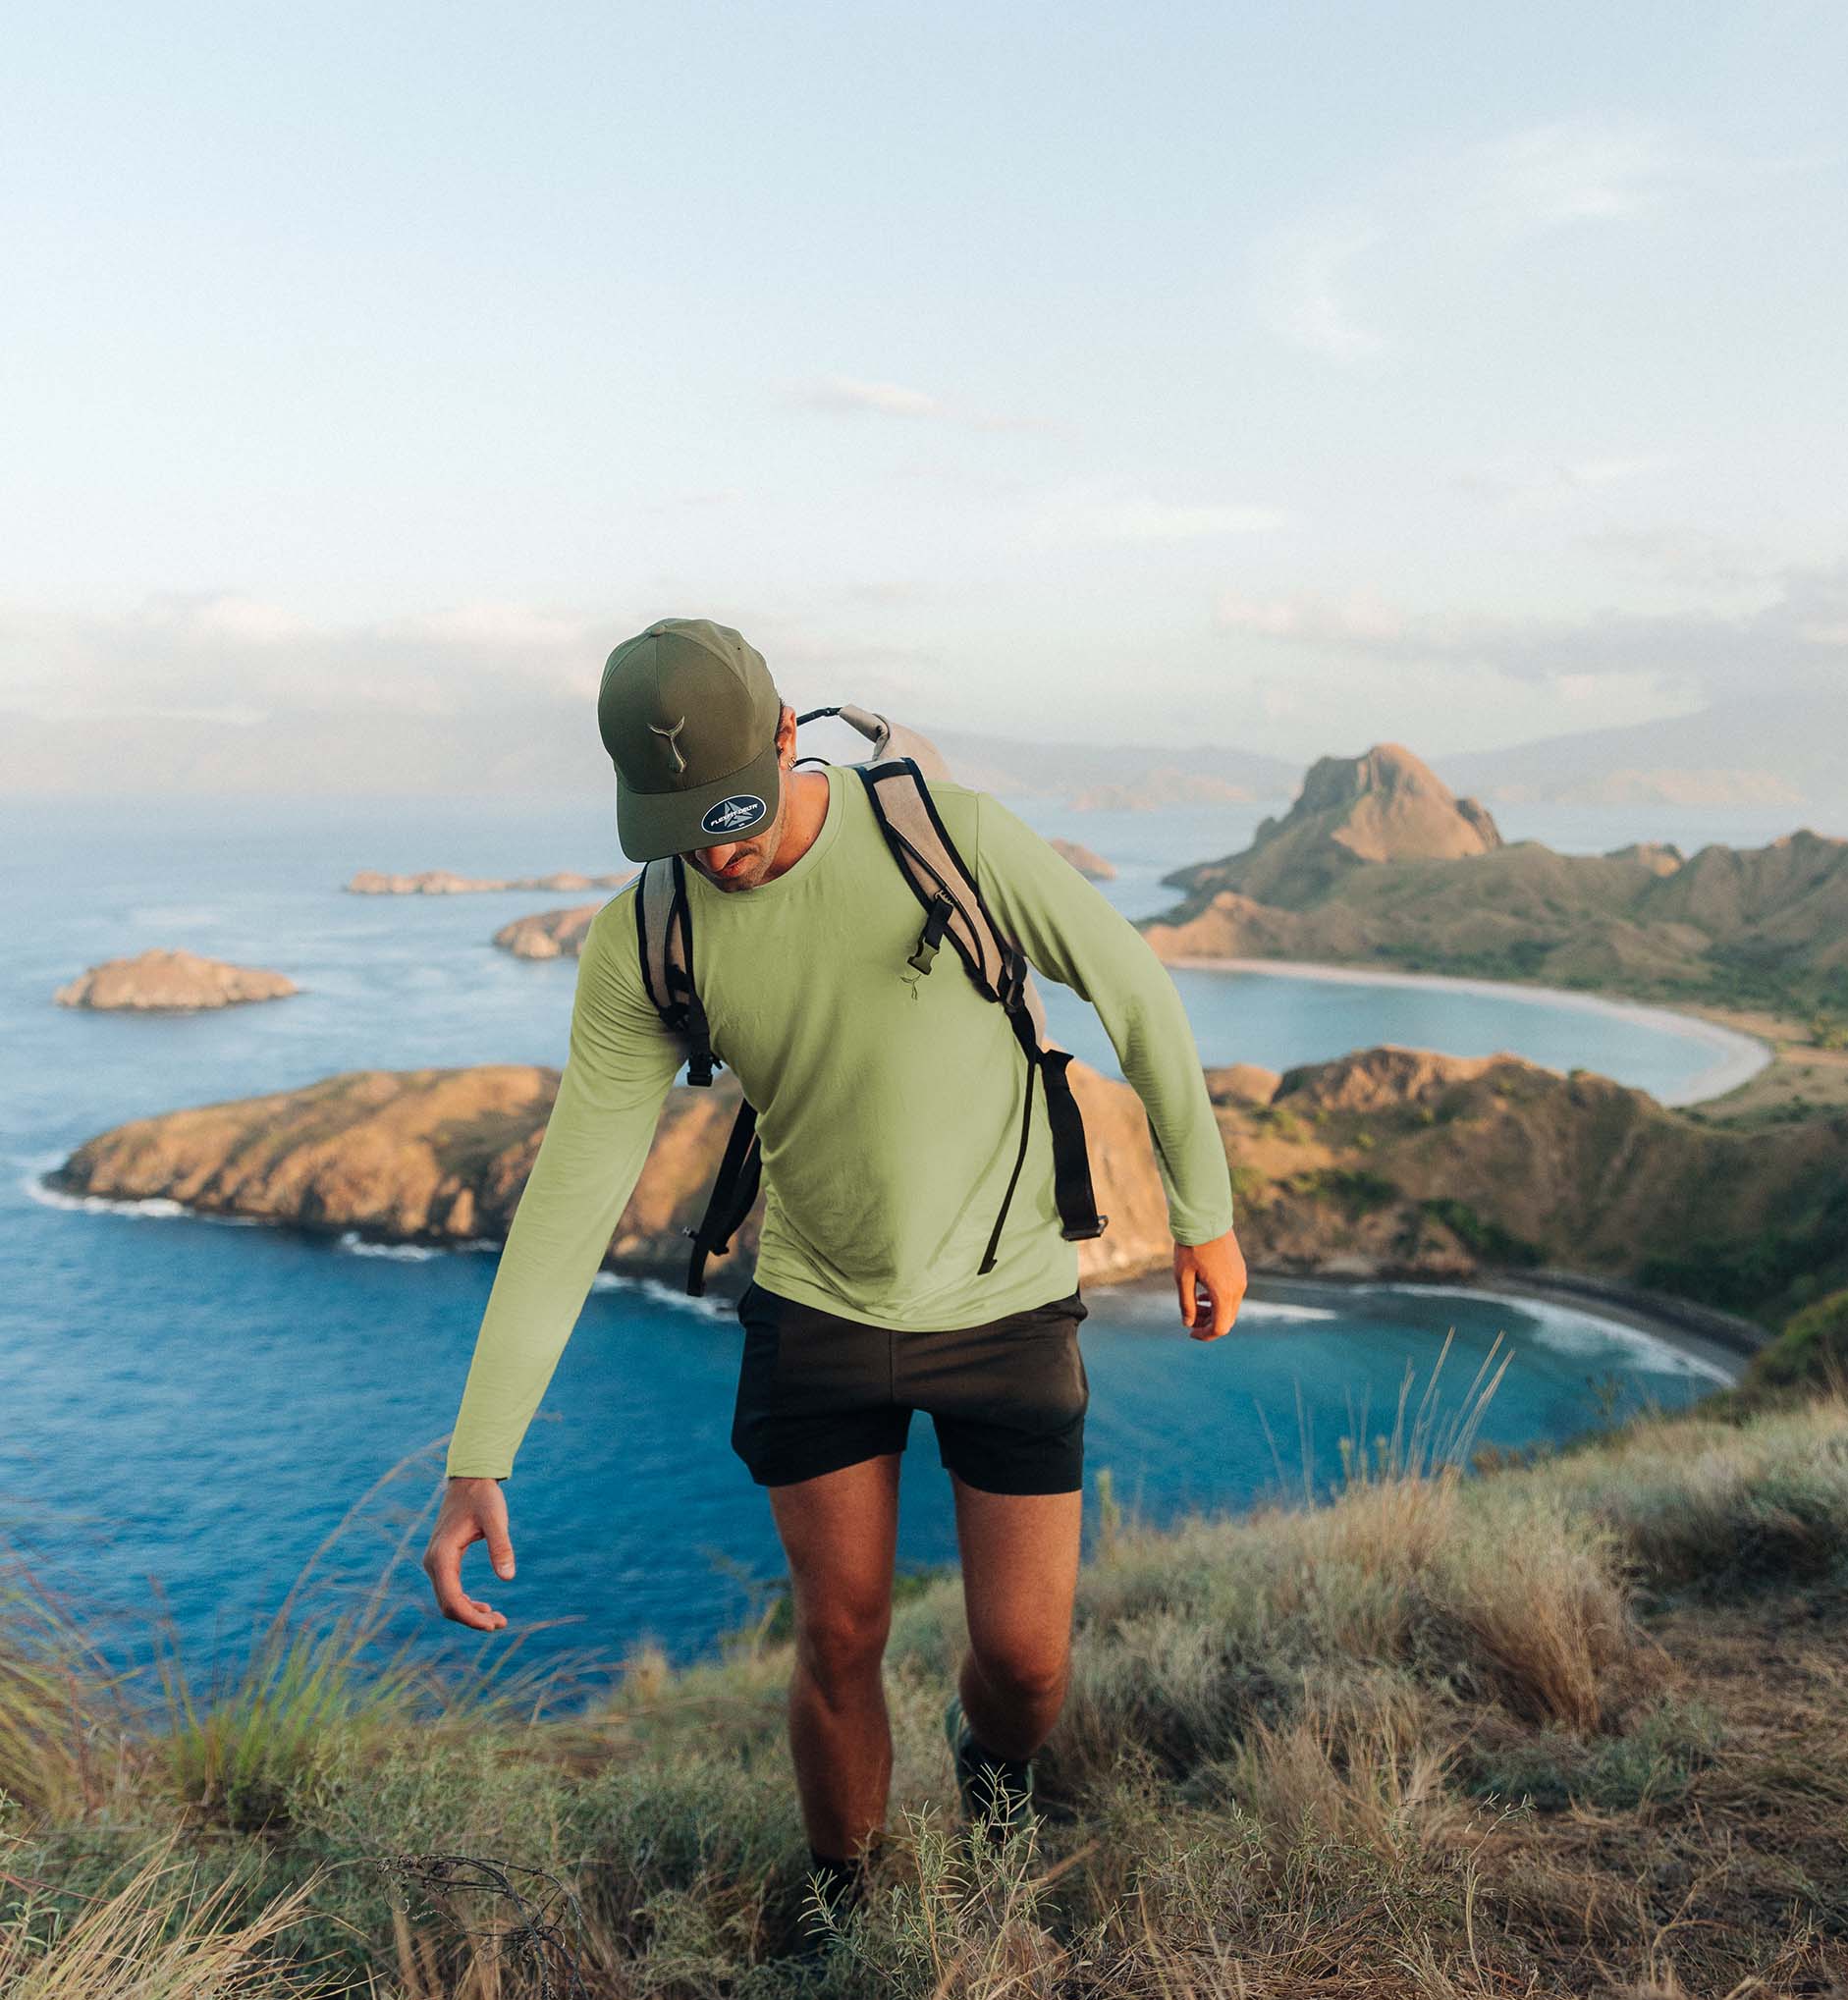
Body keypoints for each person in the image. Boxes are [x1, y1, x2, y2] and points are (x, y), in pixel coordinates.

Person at [423, 617, 1246, 1913]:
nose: (723, 851)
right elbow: (573, 1197)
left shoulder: (942, 832)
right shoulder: (647, 939)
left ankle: (997, 1771)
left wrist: (1205, 1215)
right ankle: (844, 1901)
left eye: (737, 811)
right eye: (687, 826)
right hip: (817, 1312)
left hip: (1008, 1301)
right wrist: (482, 1452)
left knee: (1027, 1663)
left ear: (789, 738)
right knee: (840, 1634)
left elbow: (1134, 987)